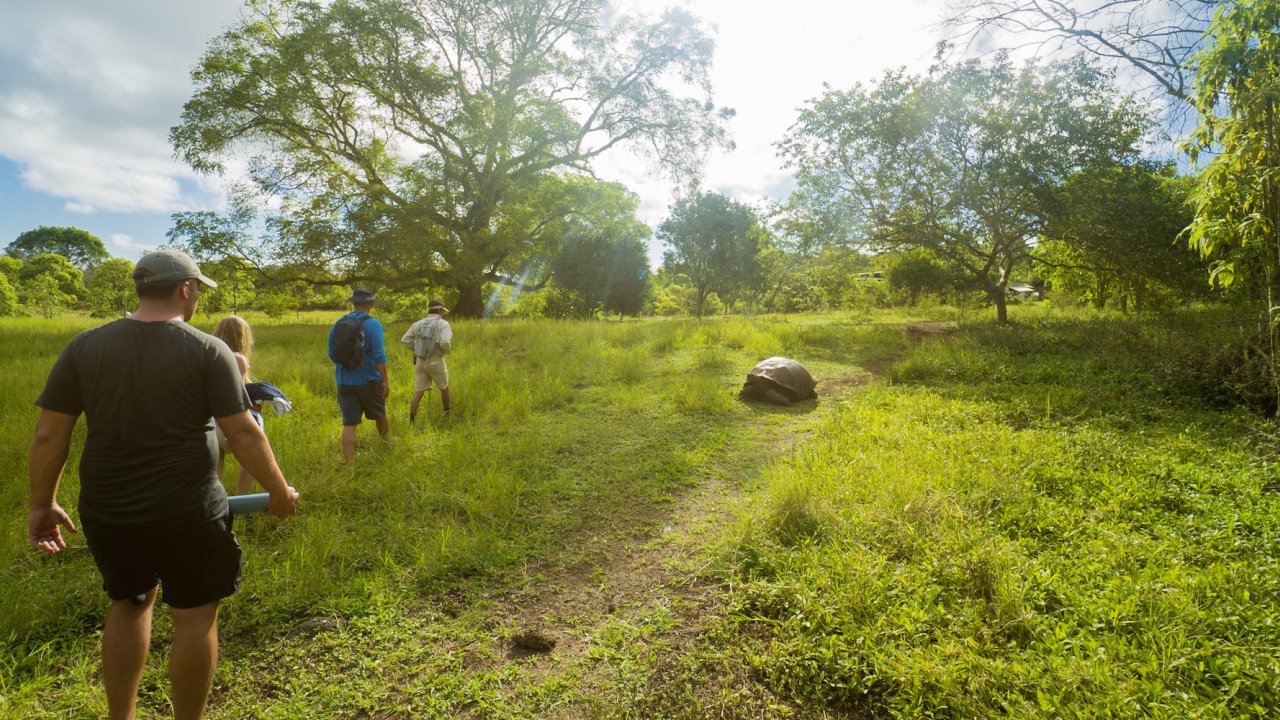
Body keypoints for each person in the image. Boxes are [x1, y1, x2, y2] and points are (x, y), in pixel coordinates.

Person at [26, 247, 299, 720]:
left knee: (130, 603)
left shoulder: (84, 346)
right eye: (198, 292)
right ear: (186, 289)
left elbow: (50, 434)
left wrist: (41, 505)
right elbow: (243, 431)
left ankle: (121, 717)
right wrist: (277, 489)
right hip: (188, 512)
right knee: (194, 616)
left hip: (110, 511)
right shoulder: (207, 349)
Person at [328, 287, 389, 463]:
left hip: (344, 380)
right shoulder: (373, 324)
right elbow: (379, 355)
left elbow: (332, 354)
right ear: (369, 303)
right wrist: (384, 380)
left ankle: (349, 465)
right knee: (380, 412)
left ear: (354, 303)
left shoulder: (339, 323)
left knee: (349, 423)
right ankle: (385, 444)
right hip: (369, 380)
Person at [212, 315, 261, 495]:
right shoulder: (239, 360)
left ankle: (215, 500)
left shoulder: (210, 356)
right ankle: (241, 497)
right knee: (253, 457)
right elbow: (238, 396)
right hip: (231, 424)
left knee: (217, 462)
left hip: (212, 423)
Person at [401, 299, 453, 424]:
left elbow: (405, 340)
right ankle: (447, 414)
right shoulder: (443, 324)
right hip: (436, 360)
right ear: (440, 310)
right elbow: (445, 342)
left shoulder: (418, 324)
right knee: (444, 387)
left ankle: (412, 421)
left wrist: (417, 348)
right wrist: (445, 351)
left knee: (419, 391)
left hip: (420, 361)